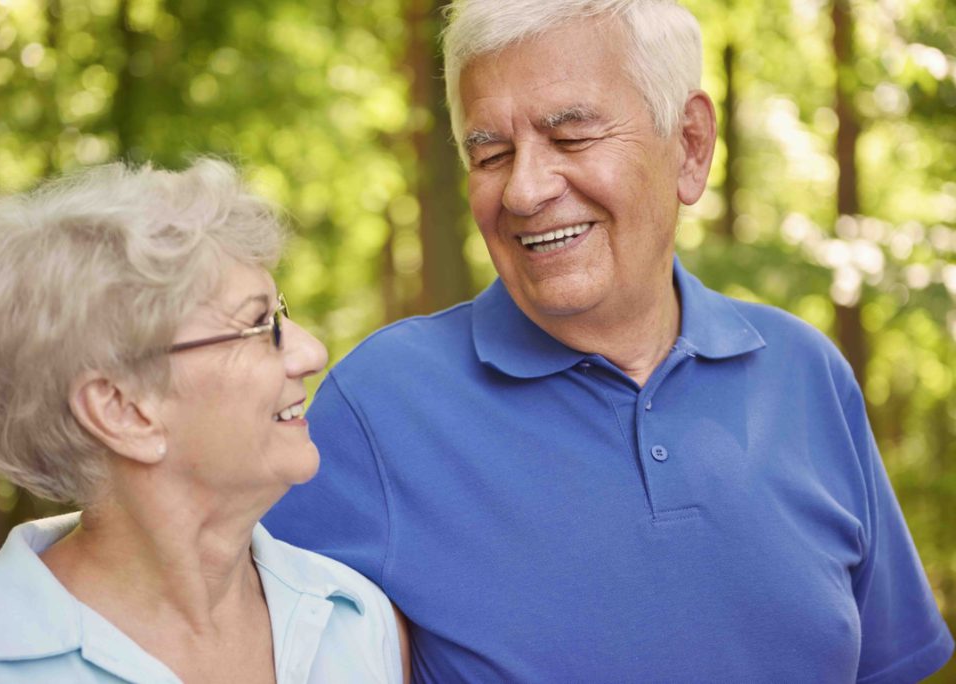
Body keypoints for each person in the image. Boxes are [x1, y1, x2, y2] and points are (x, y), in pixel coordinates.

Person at [263, 0, 955, 681]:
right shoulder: (380, 405)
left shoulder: (808, 375)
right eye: (492, 153)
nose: (524, 191)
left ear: (689, 145)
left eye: (572, 138)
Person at [0, 160, 408, 683]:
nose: (312, 353)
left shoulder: (354, 618)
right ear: (122, 409)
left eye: (282, 312)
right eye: (257, 323)